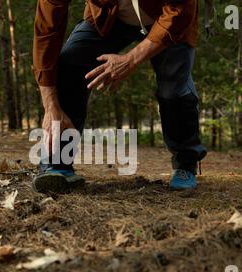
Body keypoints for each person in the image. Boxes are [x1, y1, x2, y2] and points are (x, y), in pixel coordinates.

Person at [32, 0, 207, 193]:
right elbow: (47, 30)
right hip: (110, 17)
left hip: (169, 17)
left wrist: (130, 60)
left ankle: (185, 164)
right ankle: (57, 163)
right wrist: (50, 106)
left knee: (173, 87)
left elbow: (180, 10)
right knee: (70, 63)